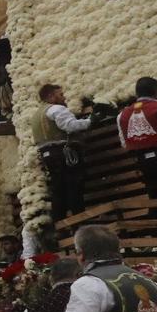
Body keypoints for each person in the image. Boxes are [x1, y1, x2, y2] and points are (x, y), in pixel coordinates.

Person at [35, 84, 94, 220]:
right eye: (60, 94)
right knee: (74, 185)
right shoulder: (56, 109)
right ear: (51, 96)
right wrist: (90, 121)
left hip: (47, 155)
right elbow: (70, 126)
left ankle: (59, 224)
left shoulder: (38, 115)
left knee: (58, 190)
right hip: (62, 153)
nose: (64, 97)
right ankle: (79, 220)